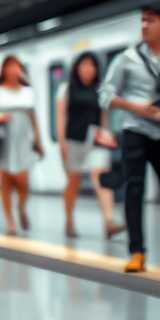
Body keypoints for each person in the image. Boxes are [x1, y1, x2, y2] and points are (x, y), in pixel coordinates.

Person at [99, 1, 160, 274]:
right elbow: (104, 95)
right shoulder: (127, 58)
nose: (145, 26)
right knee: (134, 191)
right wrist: (135, 108)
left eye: (151, 21)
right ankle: (137, 251)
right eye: (143, 21)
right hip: (135, 131)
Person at [56, 51, 124, 240]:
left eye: (92, 65)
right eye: (84, 65)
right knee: (73, 182)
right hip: (73, 141)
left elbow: (104, 117)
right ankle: (69, 220)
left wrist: (107, 135)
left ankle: (109, 222)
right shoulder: (66, 89)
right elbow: (61, 119)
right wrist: (61, 144)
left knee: (101, 178)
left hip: (96, 142)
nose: (88, 69)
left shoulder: (99, 90)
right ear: (76, 68)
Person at [0, 55, 44, 236]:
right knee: (6, 182)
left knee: (23, 182)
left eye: (16, 66)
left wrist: (38, 141)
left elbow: (34, 118)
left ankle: (21, 207)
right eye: (9, 66)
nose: (12, 70)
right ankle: (10, 221)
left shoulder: (28, 91)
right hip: (4, 139)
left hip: (24, 139)